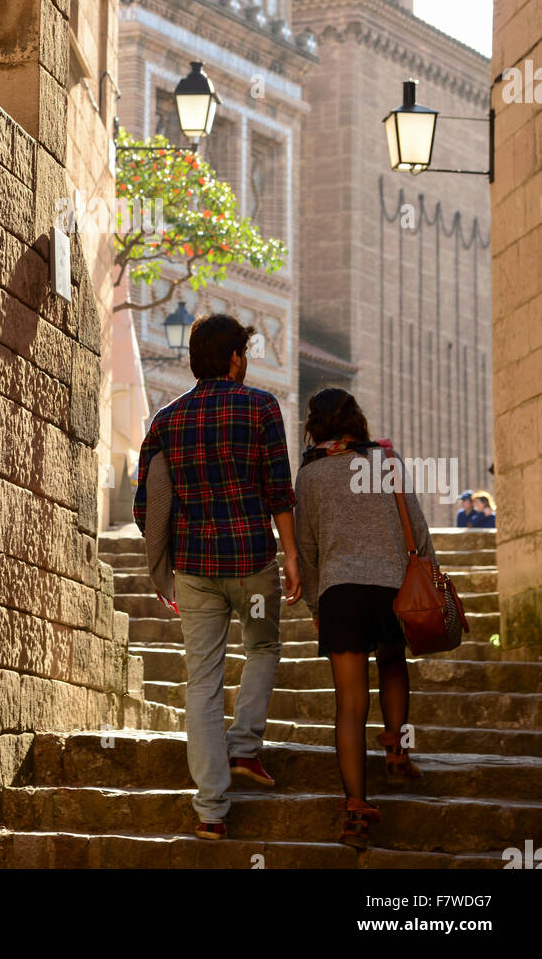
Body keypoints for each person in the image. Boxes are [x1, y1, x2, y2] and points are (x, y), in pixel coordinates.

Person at [134, 313, 301, 841]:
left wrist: (170, 558)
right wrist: (291, 553)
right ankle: (246, 747)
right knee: (262, 646)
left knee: (202, 682)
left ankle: (211, 811)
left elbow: (147, 506)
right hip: (251, 563)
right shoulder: (260, 408)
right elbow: (279, 488)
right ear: (234, 357)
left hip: (196, 572)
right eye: (244, 353)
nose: (245, 361)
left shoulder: (166, 420)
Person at [294, 388, 435, 852]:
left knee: (350, 704)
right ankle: (397, 753)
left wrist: (317, 606)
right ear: (357, 419)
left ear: (316, 425)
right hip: (392, 587)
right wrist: (427, 581)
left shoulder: (310, 476)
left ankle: (355, 812)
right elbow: (418, 528)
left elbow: (308, 551)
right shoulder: (387, 460)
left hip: (340, 591)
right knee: (394, 663)